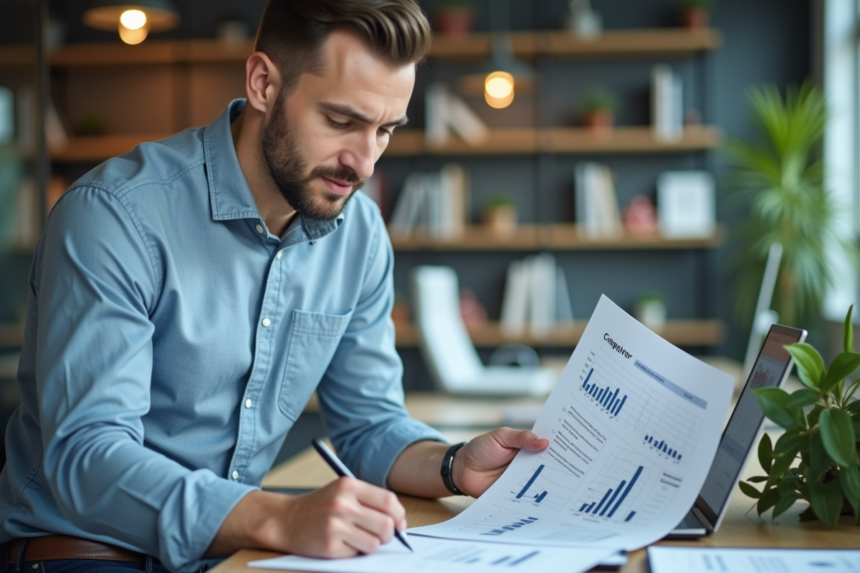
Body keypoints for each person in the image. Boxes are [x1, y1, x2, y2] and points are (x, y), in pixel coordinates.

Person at [0, 1, 549, 572]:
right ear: (263, 83)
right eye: (341, 121)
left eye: (385, 130)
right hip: (86, 553)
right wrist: (279, 518)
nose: (363, 162)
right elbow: (87, 460)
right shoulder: (114, 218)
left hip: (230, 552)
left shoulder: (357, 234)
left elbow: (370, 424)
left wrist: (454, 464)